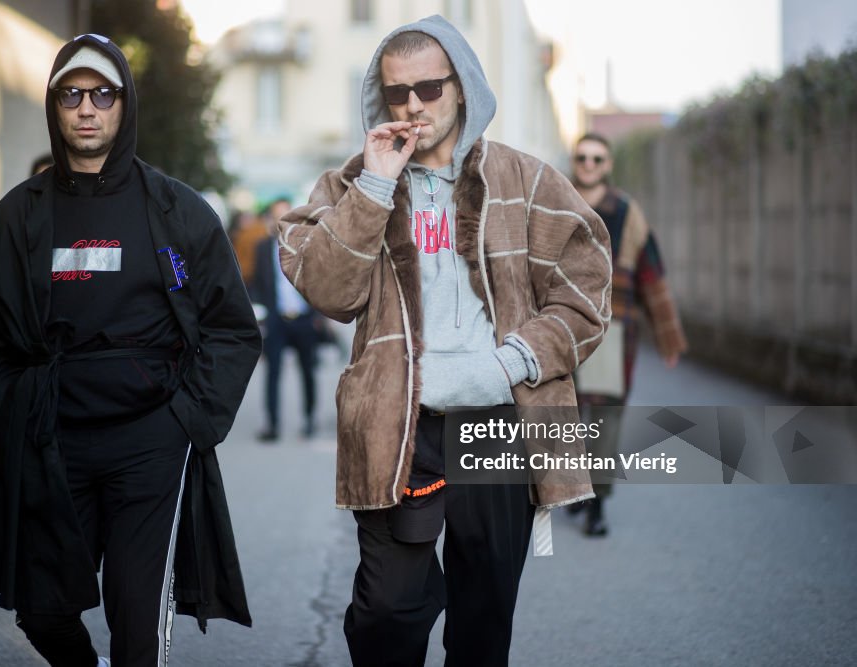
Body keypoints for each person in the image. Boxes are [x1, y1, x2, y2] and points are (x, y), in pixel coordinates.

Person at [277, 15, 612, 666]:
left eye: (429, 88)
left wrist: (512, 360)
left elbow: (587, 289)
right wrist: (375, 185)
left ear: (461, 87)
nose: (412, 105)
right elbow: (327, 289)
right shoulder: (352, 183)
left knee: (484, 617)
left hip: (496, 422)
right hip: (398, 424)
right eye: (397, 91)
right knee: (385, 615)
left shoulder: (526, 179)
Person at [0, 33, 261, 667]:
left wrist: (188, 419)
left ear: (125, 104)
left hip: (151, 442)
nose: (87, 107)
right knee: (42, 610)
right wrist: (12, 417)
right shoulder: (15, 219)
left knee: (137, 617)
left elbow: (232, 327)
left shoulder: (178, 211)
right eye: (72, 94)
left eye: (103, 93)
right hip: (49, 439)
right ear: (53, 106)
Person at [569, 132, 688, 536]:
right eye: (582, 157)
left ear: (608, 164)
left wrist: (668, 339)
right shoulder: (555, 200)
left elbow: (651, 274)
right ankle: (572, 488)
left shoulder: (626, 211)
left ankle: (596, 504)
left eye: (597, 158)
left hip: (609, 330)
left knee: (602, 420)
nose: (588, 164)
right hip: (558, 328)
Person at [249, 197, 320, 442]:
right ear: (270, 219)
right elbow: (256, 284)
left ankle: (309, 419)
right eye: (277, 215)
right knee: (273, 373)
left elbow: (318, 282)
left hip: (303, 319)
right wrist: (261, 315)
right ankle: (272, 424)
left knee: (308, 371)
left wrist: (318, 316)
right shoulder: (261, 248)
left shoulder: (306, 245)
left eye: (287, 214)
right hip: (276, 320)